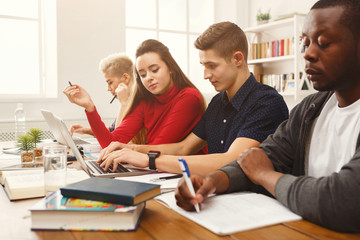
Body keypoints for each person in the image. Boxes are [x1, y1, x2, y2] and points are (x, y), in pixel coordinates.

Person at [175, 0, 360, 233]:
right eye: (305, 43)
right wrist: (213, 181)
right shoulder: (310, 109)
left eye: (323, 43)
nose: (309, 53)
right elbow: (261, 158)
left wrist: (265, 175)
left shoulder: (267, 102)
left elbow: (342, 200)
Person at [97, 22, 289, 175]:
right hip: (216, 193)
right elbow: (182, 148)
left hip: (253, 203)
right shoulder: (218, 103)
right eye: (203, 65)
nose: (205, 75)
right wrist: (133, 150)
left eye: (211, 66)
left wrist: (150, 160)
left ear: (238, 59)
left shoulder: (266, 102)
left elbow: (231, 161)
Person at [64, 39, 206, 149]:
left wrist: (127, 149)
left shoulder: (189, 97)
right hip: (154, 170)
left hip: (184, 176)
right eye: (142, 74)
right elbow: (111, 143)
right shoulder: (145, 101)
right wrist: (90, 107)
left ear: (171, 68)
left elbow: (158, 147)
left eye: (154, 70)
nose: (148, 78)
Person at [66, 53, 145, 142]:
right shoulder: (128, 101)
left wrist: (124, 104)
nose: (108, 88)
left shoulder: (139, 104)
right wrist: (86, 130)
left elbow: (116, 141)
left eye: (110, 82)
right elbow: (112, 130)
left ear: (125, 78)